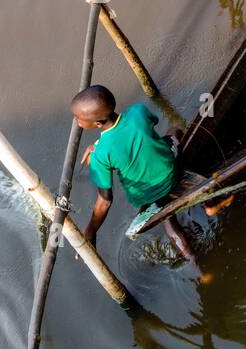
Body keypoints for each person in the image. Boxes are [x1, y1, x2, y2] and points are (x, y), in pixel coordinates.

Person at [72, 84, 198, 261]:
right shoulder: (138, 111)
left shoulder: (100, 155)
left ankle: (192, 260)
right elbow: (145, 127)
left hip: (145, 195)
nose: (76, 121)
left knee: (167, 218)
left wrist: (91, 231)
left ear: (98, 123)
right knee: (174, 131)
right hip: (170, 171)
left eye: (79, 118)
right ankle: (208, 204)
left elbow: (105, 201)